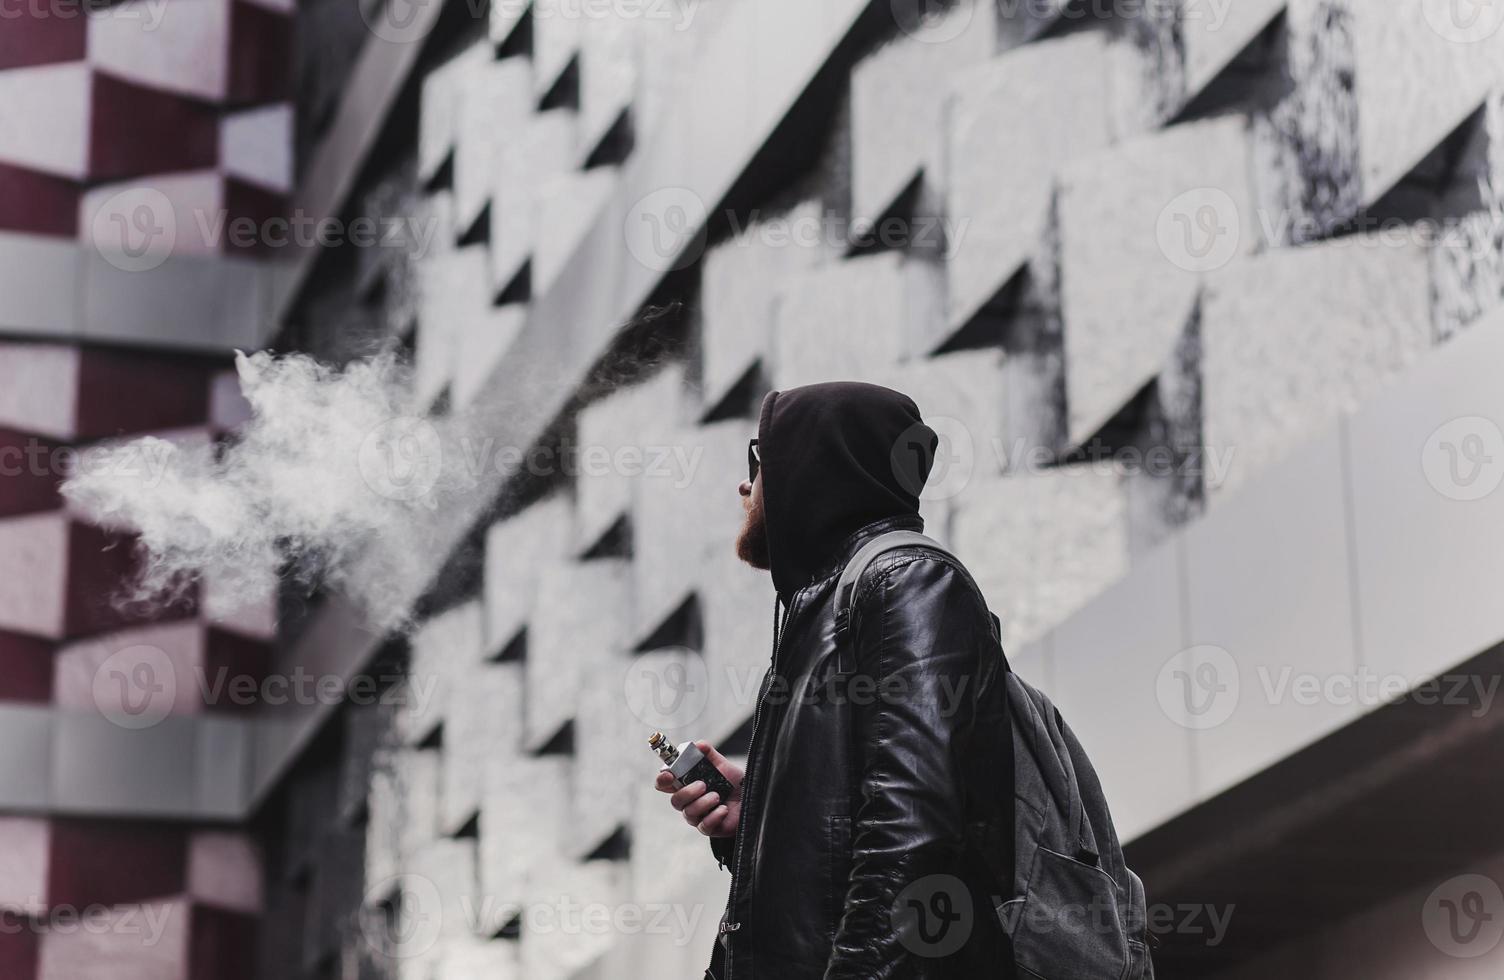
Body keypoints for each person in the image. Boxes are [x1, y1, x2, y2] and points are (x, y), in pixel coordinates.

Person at [656, 381, 1015, 980]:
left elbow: (915, 831)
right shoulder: (827, 612)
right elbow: (859, 835)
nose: (745, 487)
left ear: (814, 466)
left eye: (759, 460)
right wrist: (761, 816)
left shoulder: (905, 581)